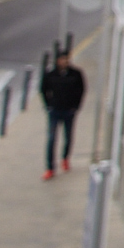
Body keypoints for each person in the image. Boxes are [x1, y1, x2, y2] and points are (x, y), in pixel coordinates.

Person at [41, 48, 84, 179]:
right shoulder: (51, 75)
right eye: (62, 59)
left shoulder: (75, 74)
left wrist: (75, 106)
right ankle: (50, 167)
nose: (65, 62)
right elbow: (43, 89)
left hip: (69, 111)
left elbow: (81, 90)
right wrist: (48, 105)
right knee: (51, 138)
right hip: (55, 110)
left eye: (67, 59)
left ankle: (65, 158)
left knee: (68, 137)